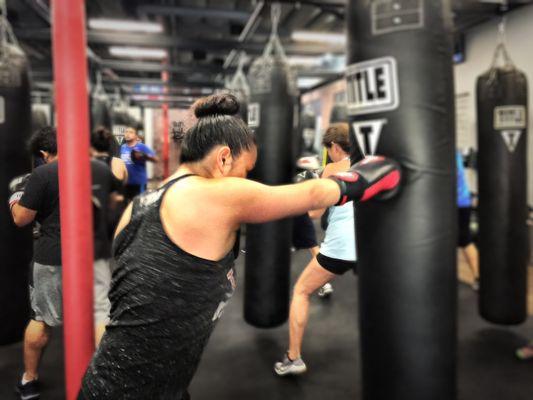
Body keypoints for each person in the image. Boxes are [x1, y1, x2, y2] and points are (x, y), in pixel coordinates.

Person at [78, 94, 401, 400]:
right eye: (247, 170)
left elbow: (116, 308)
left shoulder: (139, 205)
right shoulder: (211, 195)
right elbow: (316, 196)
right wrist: (372, 172)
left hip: (117, 381)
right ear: (223, 158)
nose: (247, 179)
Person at [8, 127, 121, 400]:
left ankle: (29, 380)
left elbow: (21, 219)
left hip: (53, 257)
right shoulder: (100, 170)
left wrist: (14, 197)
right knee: (100, 315)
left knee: (41, 319)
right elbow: (116, 203)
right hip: (95, 256)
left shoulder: (42, 174)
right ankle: (105, 381)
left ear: (45, 153)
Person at [274, 122, 358, 376]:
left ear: (334, 146)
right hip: (370, 245)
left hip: (340, 247)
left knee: (301, 291)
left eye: (329, 149)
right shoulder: (368, 164)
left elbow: (315, 213)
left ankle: (293, 358)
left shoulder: (332, 168)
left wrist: (297, 201)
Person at [456, 150, 479, 290]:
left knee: (464, 239)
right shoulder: (453, 152)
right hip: (462, 201)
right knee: (465, 240)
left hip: (458, 202)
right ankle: (478, 276)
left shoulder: (444, 152)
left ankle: (479, 276)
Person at [120, 126, 158, 201]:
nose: (127, 134)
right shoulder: (122, 147)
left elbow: (155, 159)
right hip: (126, 183)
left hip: (139, 183)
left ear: (136, 136)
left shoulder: (141, 147)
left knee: (139, 206)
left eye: (131, 132)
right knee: (127, 206)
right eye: (126, 132)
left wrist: (144, 155)